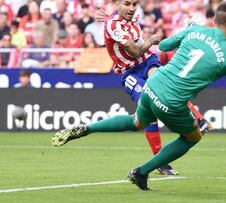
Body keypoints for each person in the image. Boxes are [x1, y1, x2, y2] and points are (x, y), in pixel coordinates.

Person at [52, 1, 226, 190]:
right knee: (193, 135)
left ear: (215, 18)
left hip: (153, 85)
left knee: (136, 122)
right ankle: (142, 172)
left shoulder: (195, 30)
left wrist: (186, 31)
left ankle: (86, 129)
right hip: (172, 101)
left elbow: (162, 46)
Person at [53, 0, 210, 176]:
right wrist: (151, 39)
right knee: (146, 115)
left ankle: (199, 120)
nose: (132, 8)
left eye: (134, 4)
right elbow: (134, 50)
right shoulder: (113, 24)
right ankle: (159, 160)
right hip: (129, 72)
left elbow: (121, 24)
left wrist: (109, 18)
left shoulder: (129, 16)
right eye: (127, 4)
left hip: (148, 62)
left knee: (168, 87)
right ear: (117, 3)